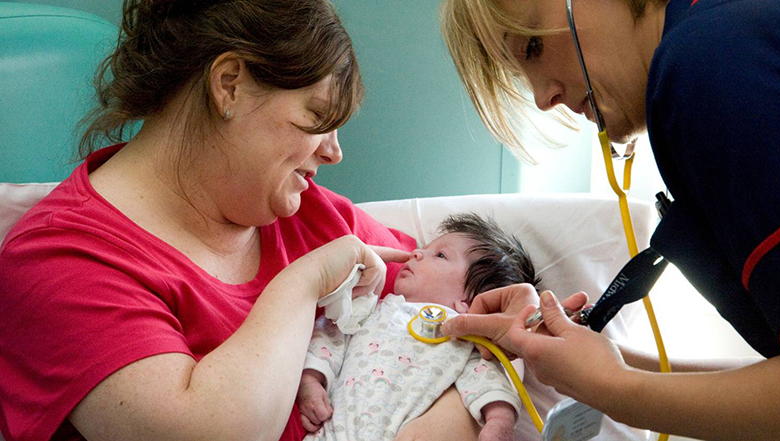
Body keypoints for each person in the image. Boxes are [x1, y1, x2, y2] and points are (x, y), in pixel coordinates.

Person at [0, 1, 479, 440]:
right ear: (229, 85)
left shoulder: (309, 214)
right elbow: (208, 431)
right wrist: (304, 283)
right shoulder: (60, 260)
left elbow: (471, 325)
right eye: (316, 116)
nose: (334, 152)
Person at [439, 0, 780, 440]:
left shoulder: (707, 66)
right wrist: (606, 363)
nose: (541, 98)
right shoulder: (729, 37)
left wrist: (612, 388)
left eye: (532, 46)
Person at [297, 213, 541, 441]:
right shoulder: (371, 307)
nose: (415, 253)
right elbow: (331, 336)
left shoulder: (459, 335)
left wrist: (499, 421)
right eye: (424, 249)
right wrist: (311, 380)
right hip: (334, 431)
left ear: (468, 302)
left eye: (440, 255)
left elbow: (486, 377)